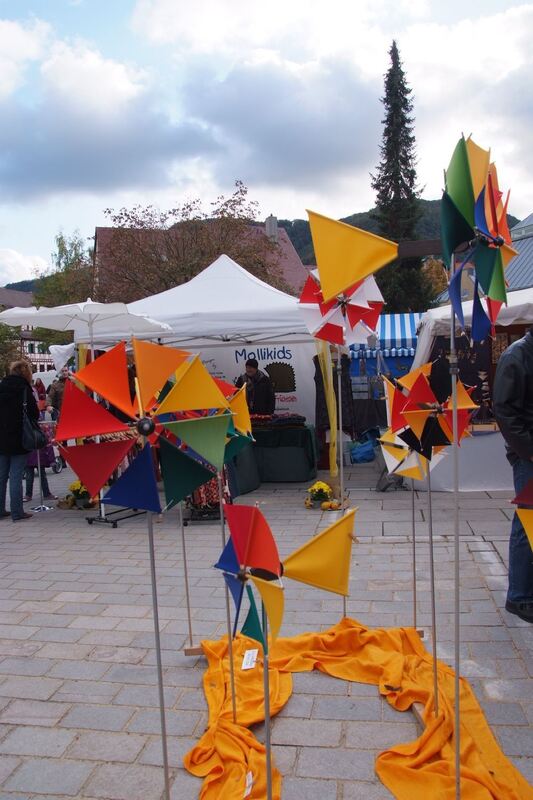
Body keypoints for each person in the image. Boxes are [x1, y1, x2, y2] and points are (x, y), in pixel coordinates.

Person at [493, 329, 533, 623]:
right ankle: (518, 596)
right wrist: (528, 451)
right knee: (527, 519)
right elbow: (505, 412)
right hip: (528, 455)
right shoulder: (516, 355)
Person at [0, 360, 39, 521]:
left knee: (1, 476)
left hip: (1, 438)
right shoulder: (24, 389)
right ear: (26, 373)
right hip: (19, 438)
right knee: (16, 476)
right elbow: (34, 414)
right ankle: (17, 512)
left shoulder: (1, 386)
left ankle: (1, 510)